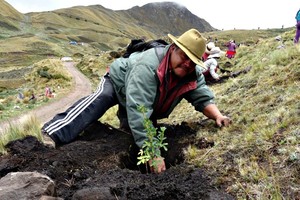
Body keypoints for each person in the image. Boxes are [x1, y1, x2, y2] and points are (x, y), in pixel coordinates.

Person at [41, 29, 232, 174]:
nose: (187, 64)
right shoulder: (148, 67)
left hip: (144, 101)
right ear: (173, 49)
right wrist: (153, 154)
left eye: (192, 61)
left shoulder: (192, 74)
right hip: (119, 82)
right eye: (184, 57)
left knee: (131, 136)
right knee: (101, 100)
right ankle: (53, 132)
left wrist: (218, 116)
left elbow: (202, 97)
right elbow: (140, 111)